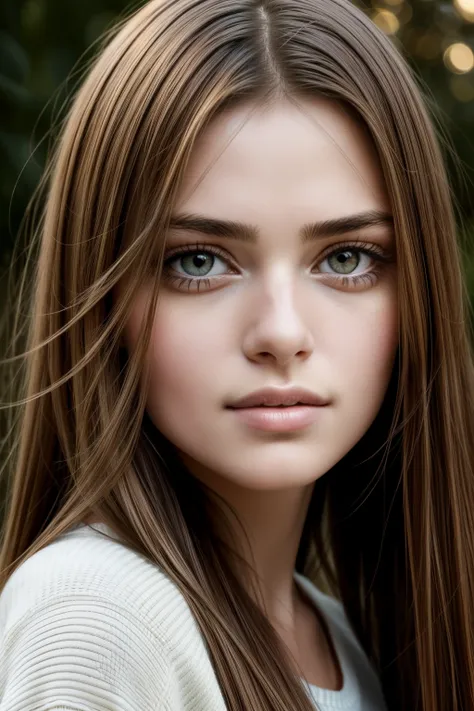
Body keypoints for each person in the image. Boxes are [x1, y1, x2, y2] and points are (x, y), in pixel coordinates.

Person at [0, 0, 473, 709]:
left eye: (347, 257)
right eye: (197, 261)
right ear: (102, 302)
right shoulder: (98, 616)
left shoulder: (346, 643)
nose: (281, 332)